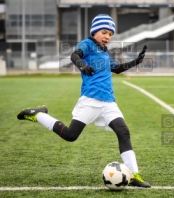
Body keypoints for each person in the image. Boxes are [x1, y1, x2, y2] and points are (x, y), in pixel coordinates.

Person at [17, 14, 151, 188]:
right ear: (94, 31)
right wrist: (82, 65)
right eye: (104, 32)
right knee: (70, 135)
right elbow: (74, 55)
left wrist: (136, 61)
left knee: (123, 132)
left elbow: (116, 69)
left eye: (110, 34)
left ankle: (134, 175)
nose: (107, 37)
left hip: (109, 102)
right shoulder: (87, 44)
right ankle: (38, 115)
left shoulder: (104, 52)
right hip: (90, 99)